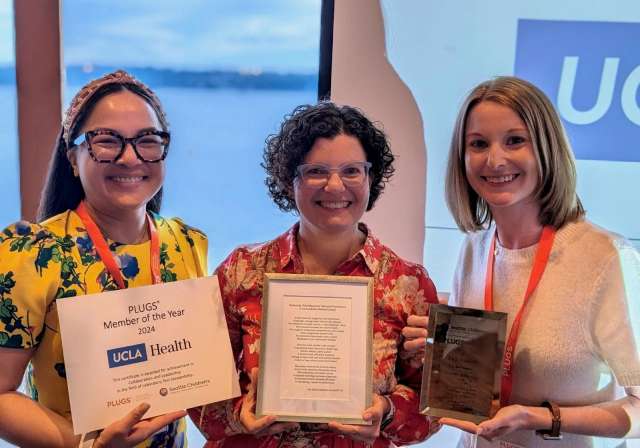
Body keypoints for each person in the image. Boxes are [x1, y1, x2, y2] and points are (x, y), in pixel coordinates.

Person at [403, 76, 640, 447]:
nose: (494, 160)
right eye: (478, 144)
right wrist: (441, 350)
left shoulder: (606, 257)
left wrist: (541, 417)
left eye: (515, 140)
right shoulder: (474, 248)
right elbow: (480, 376)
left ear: (546, 148)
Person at [188, 102, 439, 447]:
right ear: (289, 179)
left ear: (371, 178)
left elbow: (434, 406)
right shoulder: (241, 271)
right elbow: (197, 389)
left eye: (352, 171)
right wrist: (238, 414)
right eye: (316, 171)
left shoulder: (408, 285)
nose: (335, 186)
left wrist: (387, 411)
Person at [0, 70, 207, 447]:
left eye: (147, 140)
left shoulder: (186, 244)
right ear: (73, 158)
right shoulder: (35, 253)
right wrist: (89, 446)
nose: (130, 158)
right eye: (107, 141)